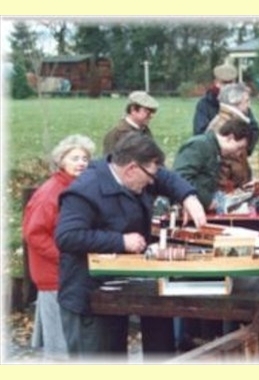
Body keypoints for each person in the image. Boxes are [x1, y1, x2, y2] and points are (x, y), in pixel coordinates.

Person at [55, 132, 207, 360]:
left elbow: (164, 177)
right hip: (87, 297)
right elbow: (67, 237)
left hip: (114, 290)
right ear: (131, 169)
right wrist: (121, 241)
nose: (152, 182)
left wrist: (188, 197)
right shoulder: (85, 190)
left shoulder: (135, 176)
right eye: (149, 177)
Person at [22, 134, 95, 361]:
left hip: (69, 273)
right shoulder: (50, 193)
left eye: (85, 158)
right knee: (59, 347)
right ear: (61, 161)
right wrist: (63, 256)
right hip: (53, 275)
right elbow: (33, 234)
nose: (81, 163)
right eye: (75, 158)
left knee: (70, 342)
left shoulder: (77, 188)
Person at [173, 118, 251, 211]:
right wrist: (207, 200)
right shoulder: (200, 145)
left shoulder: (215, 151)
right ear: (230, 137)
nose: (238, 154)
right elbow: (180, 177)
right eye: (239, 148)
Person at [193, 63, 259, 154]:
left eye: (231, 83)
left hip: (237, 154)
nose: (228, 87)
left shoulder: (241, 103)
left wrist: (240, 145)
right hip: (212, 156)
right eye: (224, 83)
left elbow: (255, 130)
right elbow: (200, 134)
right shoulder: (205, 103)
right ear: (216, 82)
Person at [206, 82, 256, 191]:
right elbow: (220, 169)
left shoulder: (228, 121)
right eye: (246, 101)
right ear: (235, 102)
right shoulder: (223, 126)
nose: (249, 105)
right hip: (227, 195)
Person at [103, 91, 159, 155]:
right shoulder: (115, 135)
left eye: (153, 112)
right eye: (148, 112)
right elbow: (109, 162)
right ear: (133, 110)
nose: (151, 116)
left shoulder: (145, 131)